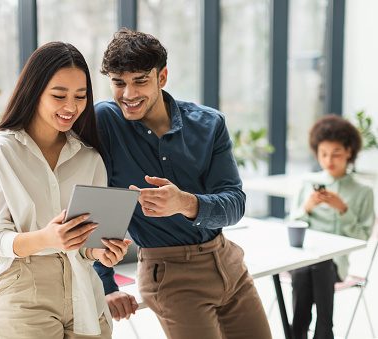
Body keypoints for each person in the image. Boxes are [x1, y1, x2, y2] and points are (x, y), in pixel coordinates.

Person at [93, 28, 272, 339]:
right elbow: (97, 200)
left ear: (162, 77)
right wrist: (105, 285)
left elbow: (235, 203)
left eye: (140, 81)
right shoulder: (107, 121)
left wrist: (185, 203)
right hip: (170, 275)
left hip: (229, 262)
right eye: (118, 83)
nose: (128, 95)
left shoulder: (209, 123)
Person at [0, 42, 133, 339]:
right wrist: (45, 238)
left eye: (80, 96)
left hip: (84, 290)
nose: (71, 107)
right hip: (22, 289)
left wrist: (102, 250)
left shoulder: (89, 158)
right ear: (34, 92)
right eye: (59, 96)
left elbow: (87, 244)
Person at [289, 114, 375, 339]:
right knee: (307, 266)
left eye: (336, 153)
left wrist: (343, 210)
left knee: (319, 264)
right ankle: (324, 332)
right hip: (303, 261)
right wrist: (307, 207)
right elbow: (292, 225)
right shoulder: (308, 183)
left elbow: (363, 238)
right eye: (323, 154)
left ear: (349, 152)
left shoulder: (363, 191)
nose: (329, 160)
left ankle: (298, 332)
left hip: (334, 265)